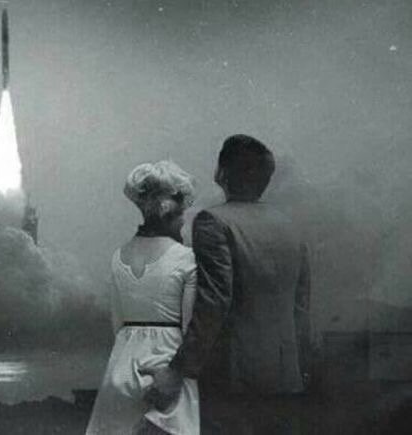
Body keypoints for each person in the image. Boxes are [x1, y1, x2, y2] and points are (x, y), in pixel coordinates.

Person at [145, 135, 311, 433]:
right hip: (286, 378)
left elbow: (214, 302)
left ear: (221, 173)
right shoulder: (291, 226)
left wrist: (177, 370)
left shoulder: (213, 221)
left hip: (232, 380)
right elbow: (301, 307)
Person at [86, 160, 200, 435]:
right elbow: (190, 329)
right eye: (182, 213)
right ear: (171, 210)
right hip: (167, 369)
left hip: (121, 371)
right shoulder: (186, 258)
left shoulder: (118, 256)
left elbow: (117, 325)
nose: (184, 220)